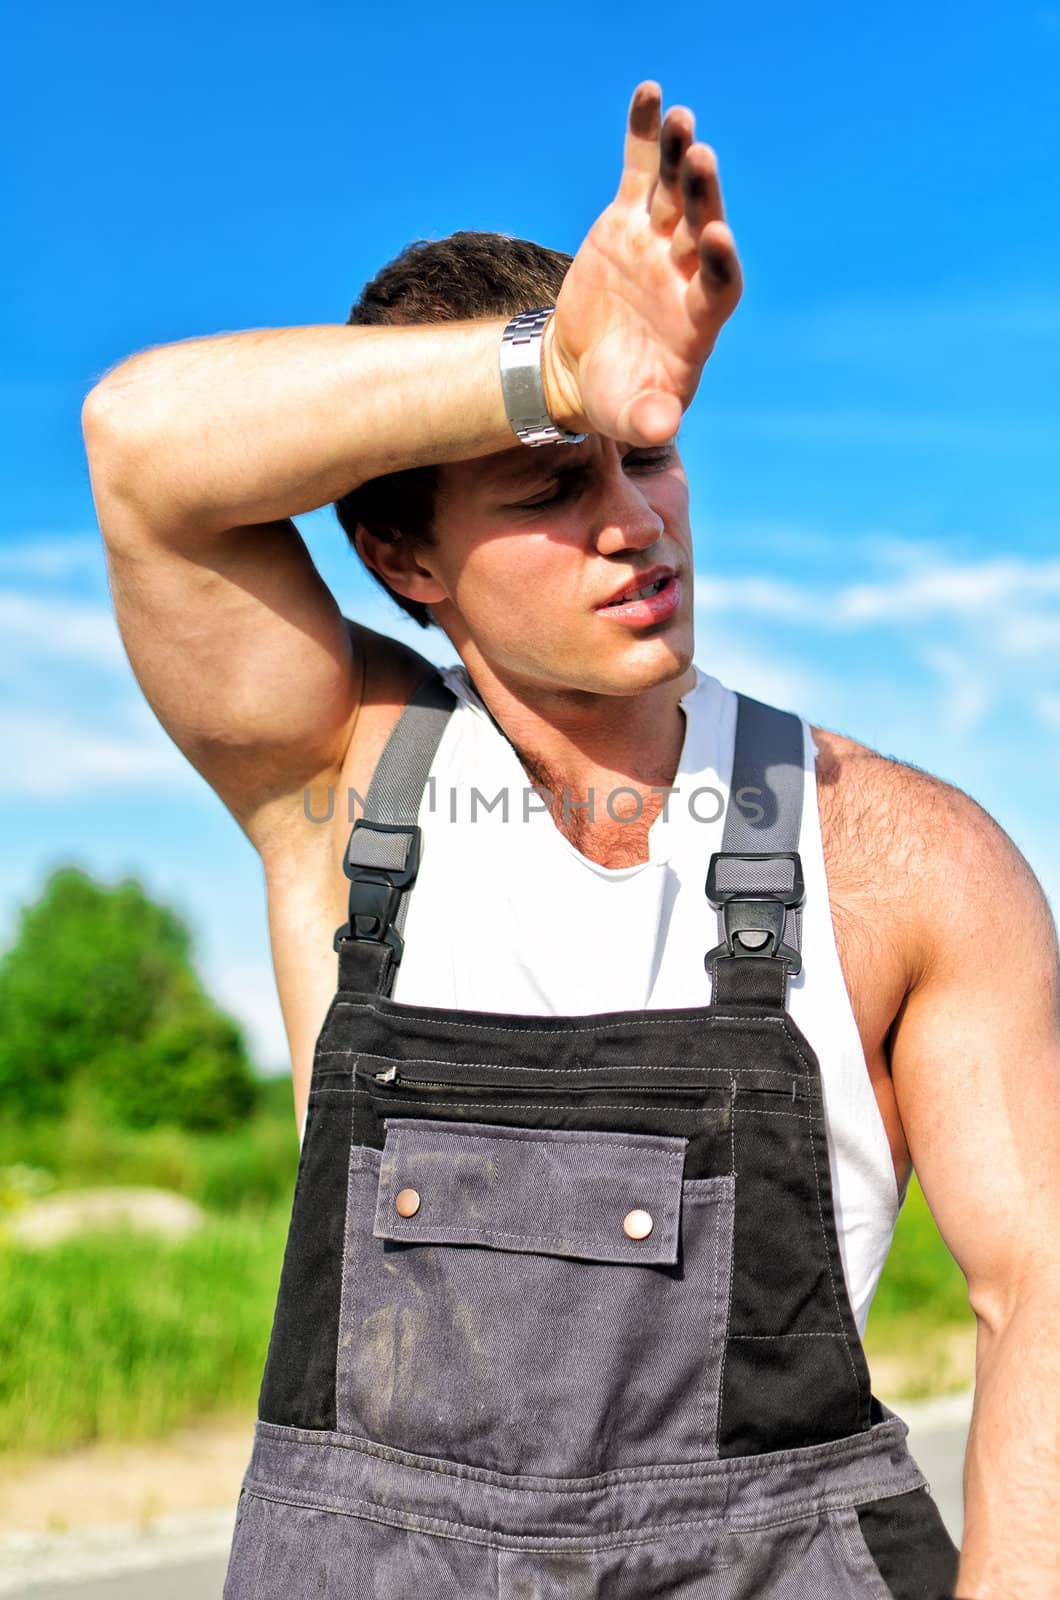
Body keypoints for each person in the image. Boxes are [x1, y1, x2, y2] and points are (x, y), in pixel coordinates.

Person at [81, 80, 1059, 1600]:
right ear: (406, 557)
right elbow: (138, 447)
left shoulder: (903, 855)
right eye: (554, 477)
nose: (636, 523)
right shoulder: (343, 796)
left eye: (649, 458)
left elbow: (1039, 1302)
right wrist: (558, 367)